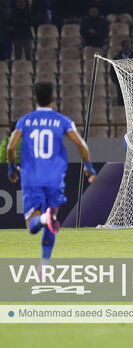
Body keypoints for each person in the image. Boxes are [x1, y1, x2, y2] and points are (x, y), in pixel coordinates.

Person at [6, 81, 96, 261]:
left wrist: (11, 169)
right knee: (51, 218)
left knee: (32, 224)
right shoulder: (63, 120)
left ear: (35, 99)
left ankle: (41, 220)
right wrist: (89, 167)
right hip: (55, 177)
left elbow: (10, 148)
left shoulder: (25, 121)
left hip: (31, 176)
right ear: (53, 99)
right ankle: (44, 264)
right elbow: (81, 144)